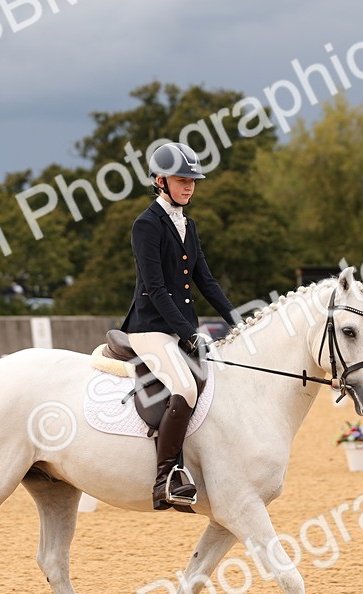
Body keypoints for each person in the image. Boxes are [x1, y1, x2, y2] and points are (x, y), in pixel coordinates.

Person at [119, 141, 238, 510]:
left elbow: (207, 281)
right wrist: (189, 333)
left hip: (180, 328)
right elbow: (155, 288)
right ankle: (165, 479)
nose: (189, 186)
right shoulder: (146, 224)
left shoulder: (189, 225)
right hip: (150, 328)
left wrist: (238, 321)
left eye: (193, 181)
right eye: (182, 180)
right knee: (185, 387)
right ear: (160, 181)